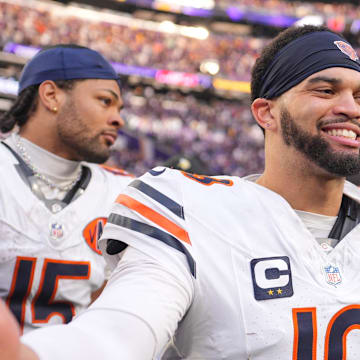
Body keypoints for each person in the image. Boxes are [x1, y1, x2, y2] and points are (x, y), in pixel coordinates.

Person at [2, 24, 360, 359]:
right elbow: (121, 327)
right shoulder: (189, 210)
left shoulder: (116, 185)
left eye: (359, 96)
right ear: (265, 113)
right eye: (326, 90)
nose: (351, 108)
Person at [0, 44, 133, 334]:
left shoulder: (123, 192)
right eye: (105, 101)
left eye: (118, 108)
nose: (118, 119)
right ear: (51, 95)